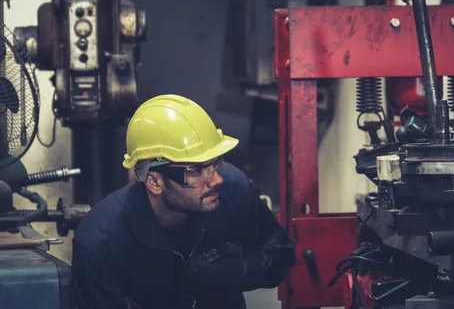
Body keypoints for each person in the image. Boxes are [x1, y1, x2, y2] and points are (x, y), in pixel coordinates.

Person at [71, 94, 296, 309]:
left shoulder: (233, 188)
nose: (216, 179)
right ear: (154, 181)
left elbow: (282, 254)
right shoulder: (101, 242)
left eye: (216, 163)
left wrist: (242, 269)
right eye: (196, 170)